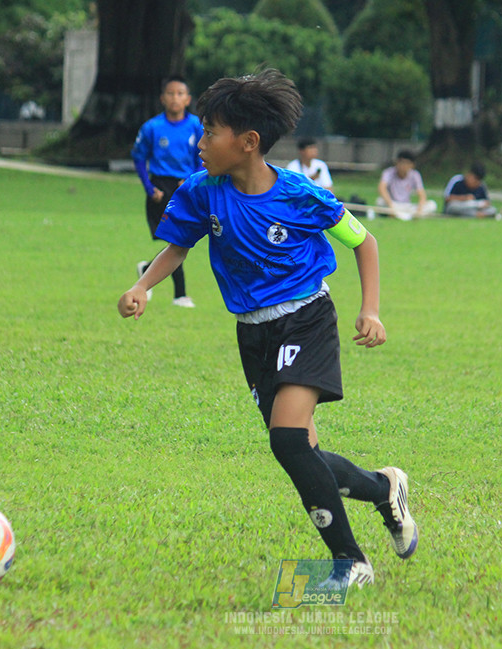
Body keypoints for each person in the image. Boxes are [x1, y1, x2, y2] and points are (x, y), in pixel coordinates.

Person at [118, 69, 418, 588]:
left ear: (248, 142)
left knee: (286, 441)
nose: (200, 141)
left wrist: (370, 309)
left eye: (210, 132)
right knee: (306, 452)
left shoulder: (301, 195)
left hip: (306, 317)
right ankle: (383, 488)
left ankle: (351, 563)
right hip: (253, 332)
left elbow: (364, 241)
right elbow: (178, 246)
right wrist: (144, 286)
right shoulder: (201, 192)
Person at [131, 75, 204, 308]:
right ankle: (180, 295)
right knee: (176, 237)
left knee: (179, 237)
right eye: (170, 93)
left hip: (185, 185)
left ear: (188, 99)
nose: (175, 98)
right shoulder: (152, 127)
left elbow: (203, 157)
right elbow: (139, 157)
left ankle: (148, 270)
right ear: (163, 98)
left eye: (180, 93)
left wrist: (192, 179)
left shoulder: (196, 126)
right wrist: (149, 187)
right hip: (161, 187)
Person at [376, 150, 438, 220]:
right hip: (393, 204)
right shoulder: (388, 172)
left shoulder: (415, 175)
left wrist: (419, 210)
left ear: (412, 165)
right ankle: (403, 215)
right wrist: (390, 205)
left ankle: (403, 215)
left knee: (432, 205)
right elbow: (382, 188)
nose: (403, 166)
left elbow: (421, 194)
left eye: (406, 163)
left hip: (407, 206)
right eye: (401, 162)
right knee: (380, 201)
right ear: (397, 163)